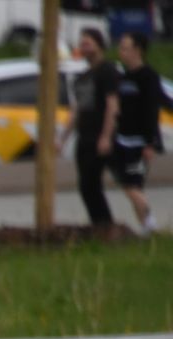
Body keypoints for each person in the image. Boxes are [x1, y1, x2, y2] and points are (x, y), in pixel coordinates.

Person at [71, 28, 125, 230]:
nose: (83, 47)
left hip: (99, 135)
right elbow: (77, 109)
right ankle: (100, 225)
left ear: (99, 44)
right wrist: (62, 136)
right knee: (86, 186)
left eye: (87, 42)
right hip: (84, 136)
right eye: (82, 43)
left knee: (94, 183)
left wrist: (106, 136)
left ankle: (106, 225)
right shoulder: (83, 77)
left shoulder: (107, 71)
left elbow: (112, 105)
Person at [112, 33, 165, 234]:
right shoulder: (124, 77)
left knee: (131, 185)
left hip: (139, 141)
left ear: (138, 50)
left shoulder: (148, 76)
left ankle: (150, 223)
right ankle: (145, 228)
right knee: (131, 186)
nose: (121, 52)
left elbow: (152, 110)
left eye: (126, 47)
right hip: (122, 138)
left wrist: (150, 142)